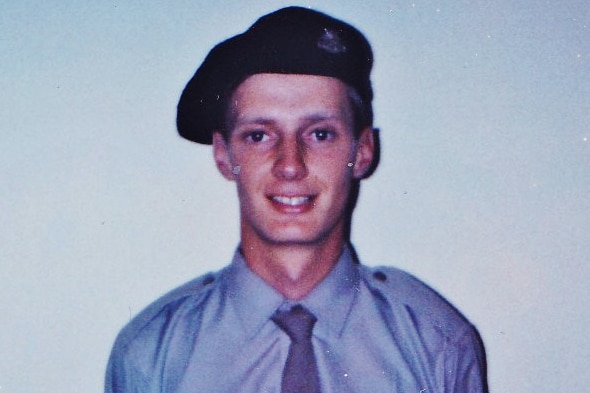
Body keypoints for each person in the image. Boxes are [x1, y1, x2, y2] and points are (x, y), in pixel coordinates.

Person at [105, 6, 488, 393]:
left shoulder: (435, 344)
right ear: (224, 155)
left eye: (319, 134)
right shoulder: (152, 353)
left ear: (364, 150)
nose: (290, 165)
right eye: (259, 135)